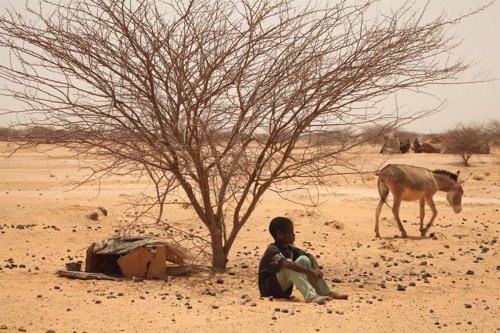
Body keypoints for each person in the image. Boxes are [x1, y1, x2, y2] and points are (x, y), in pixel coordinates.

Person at [258, 216, 348, 304]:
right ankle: (310, 296)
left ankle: (325, 292)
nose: (294, 234)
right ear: (280, 234)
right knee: (289, 264)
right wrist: (311, 271)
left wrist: (316, 269)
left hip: (283, 291)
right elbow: (287, 265)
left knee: (304, 259)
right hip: (269, 290)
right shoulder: (272, 250)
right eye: (291, 231)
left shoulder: (289, 248)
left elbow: (310, 256)